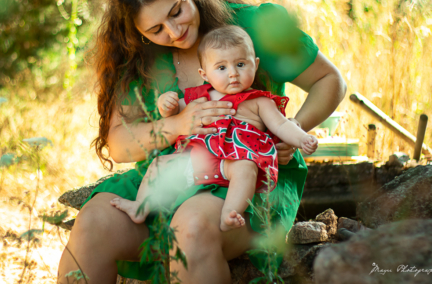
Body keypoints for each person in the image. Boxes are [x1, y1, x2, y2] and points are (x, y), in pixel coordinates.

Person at [57, 0, 347, 284]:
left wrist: (291, 129)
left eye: (176, 11)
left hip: (247, 175)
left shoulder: (252, 26)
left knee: (191, 226)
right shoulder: (139, 57)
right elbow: (120, 145)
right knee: (93, 224)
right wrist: (177, 125)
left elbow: (330, 81)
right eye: (156, 29)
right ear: (137, 32)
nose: (174, 30)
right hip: (174, 172)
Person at [110, 25, 318, 232]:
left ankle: (230, 212)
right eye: (222, 68)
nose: (233, 74)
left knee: (246, 169)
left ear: (255, 65)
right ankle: (141, 206)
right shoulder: (199, 97)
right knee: (159, 164)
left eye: (240, 64)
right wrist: (167, 105)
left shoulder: (260, 102)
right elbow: (176, 116)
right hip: (195, 160)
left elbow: (281, 125)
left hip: (232, 162)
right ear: (205, 74)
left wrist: (301, 139)